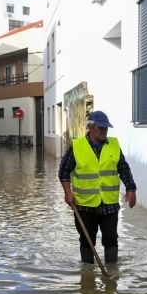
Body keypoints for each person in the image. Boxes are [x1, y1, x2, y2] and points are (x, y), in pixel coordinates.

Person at [58, 110, 137, 264]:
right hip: (85, 205)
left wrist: (131, 189)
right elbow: (64, 172)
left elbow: (124, 169)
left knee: (111, 239)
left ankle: (112, 273)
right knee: (87, 241)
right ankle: (87, 278)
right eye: (101, 128)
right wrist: (68, 193)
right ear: (90, 127)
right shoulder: (77, 146)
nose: (104, 131)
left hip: (109, 205)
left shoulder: (113, 145)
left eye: (106, 128)